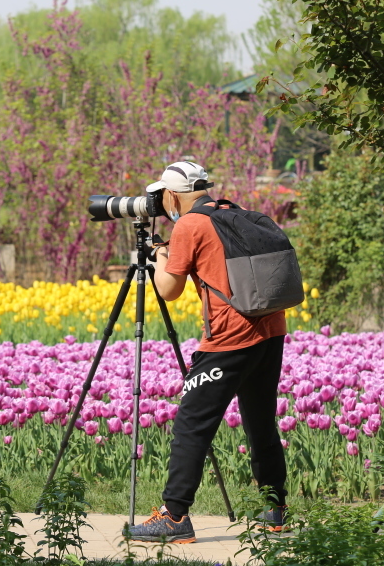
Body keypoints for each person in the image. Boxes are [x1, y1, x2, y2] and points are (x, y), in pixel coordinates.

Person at [125, 161, 288, 544]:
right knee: (260, 421)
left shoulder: (190, 225)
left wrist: (158, 254)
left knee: (191, 425)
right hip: (270, 330)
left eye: (160, 196)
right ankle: (275, 508)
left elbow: (168, 289)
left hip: (230, 338)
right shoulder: (232, 213)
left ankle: (175, 516)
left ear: (171, 194)